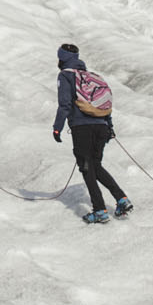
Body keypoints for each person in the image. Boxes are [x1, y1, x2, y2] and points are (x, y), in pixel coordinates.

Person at [57, 43, 128, 223]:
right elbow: (106, 106)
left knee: (87, 168)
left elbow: (65, 104)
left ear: (62, 58)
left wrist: (57, 127)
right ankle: (121, 198)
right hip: (101, 126)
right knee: (96, 166)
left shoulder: (65, 76)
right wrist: (109, 127)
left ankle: (99, 210)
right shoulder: (92, 76)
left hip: (82, 128)